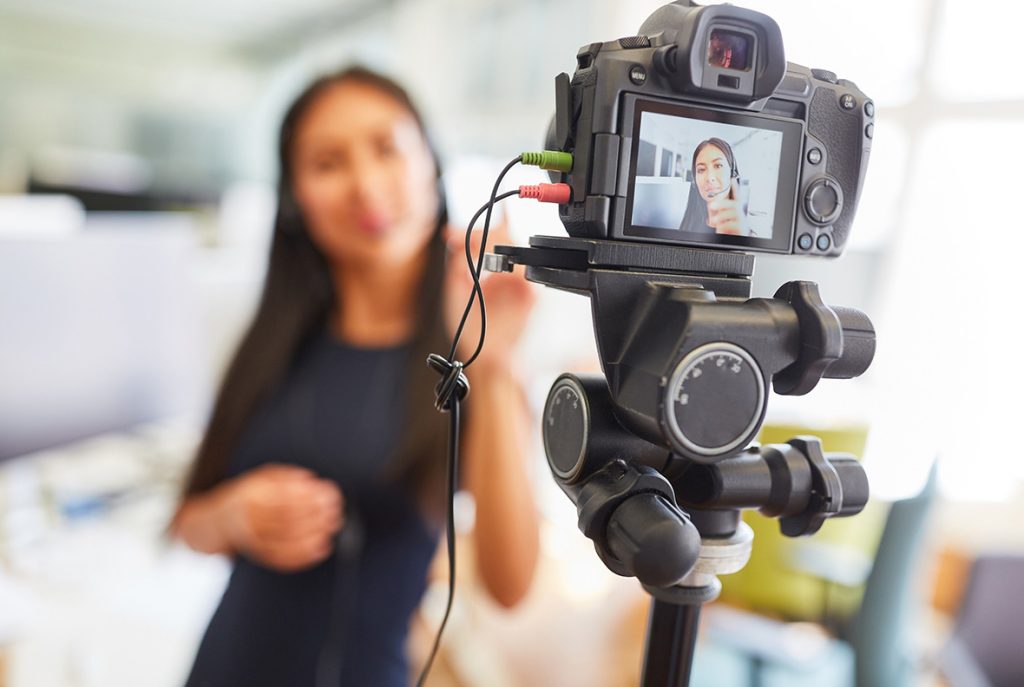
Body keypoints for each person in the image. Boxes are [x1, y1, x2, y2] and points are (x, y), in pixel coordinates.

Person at [171, 65, 540, 687]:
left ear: (431, 164)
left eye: (387, 148)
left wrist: (496, 366)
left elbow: (511, 585)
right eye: (328, 163)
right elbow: (188, 522)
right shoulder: (270, 338)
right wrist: (233, 518)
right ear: (294, 198)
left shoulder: (468, 354)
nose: (366, 186)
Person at [678, 137, 750, 236]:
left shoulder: (745, 233)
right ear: (694, 180)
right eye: (701, 170)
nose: (710, 178)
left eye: (718, 166)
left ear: (732, 173)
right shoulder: (687, 226)